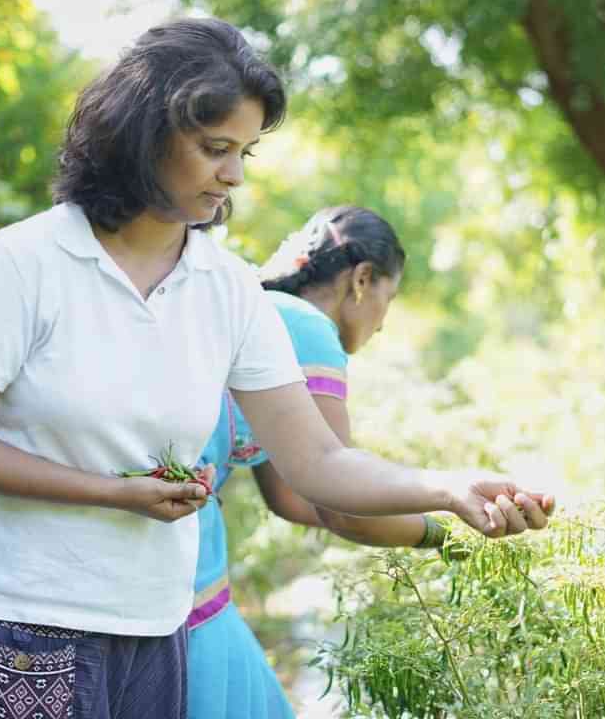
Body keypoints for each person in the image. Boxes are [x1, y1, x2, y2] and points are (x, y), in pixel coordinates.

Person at [0, 17, 553, 719]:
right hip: (18, 618)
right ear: (143, 136)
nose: (234, 174)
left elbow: (319, 463)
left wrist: (448, 489)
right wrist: (108, 493)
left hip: (153, 628)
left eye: (245, 151)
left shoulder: (229, 287)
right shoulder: (27, 263)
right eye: (216, 148)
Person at [189, 206, 525, 717]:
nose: (383, 324)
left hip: (184, 544)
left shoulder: (264, 311)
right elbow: (336, 505)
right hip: (186, 565)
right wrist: (447, 533)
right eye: (389, 298)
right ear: (362, 280)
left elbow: (293, 499)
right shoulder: (306, 327)